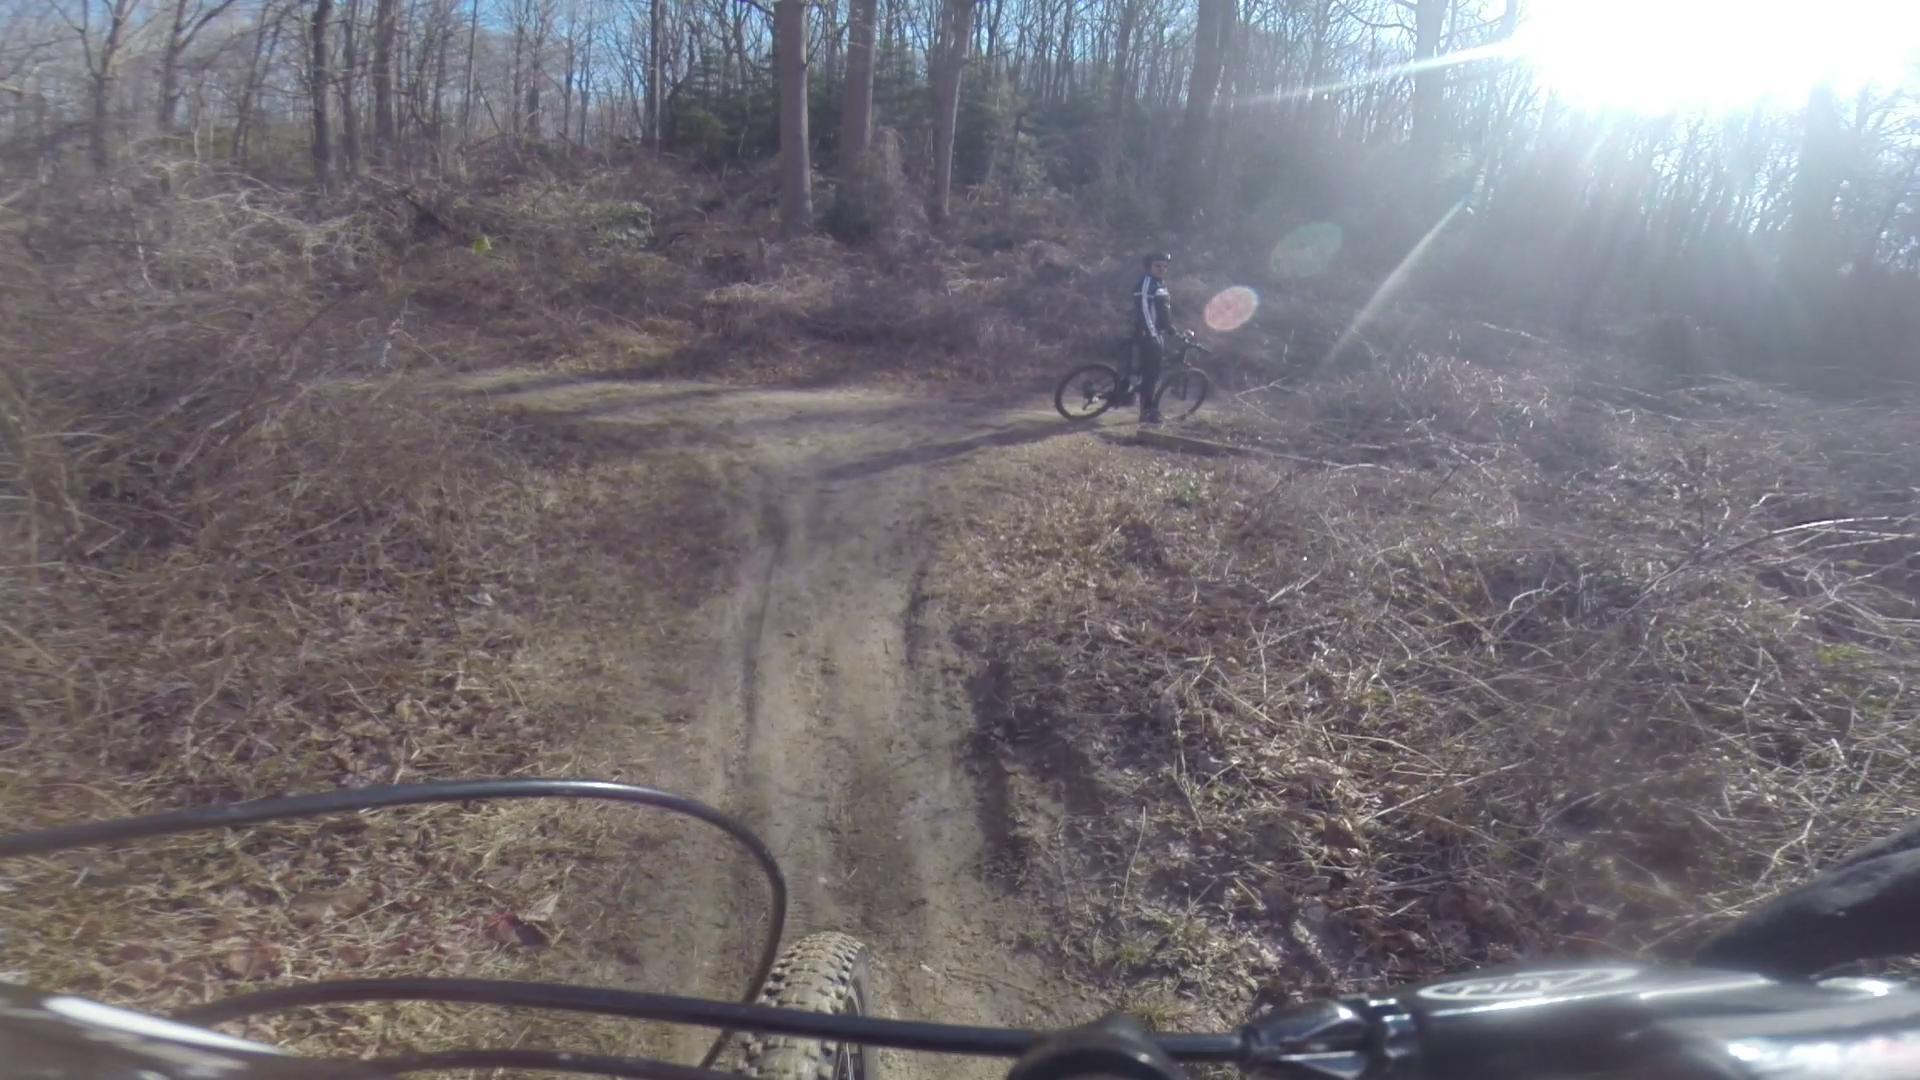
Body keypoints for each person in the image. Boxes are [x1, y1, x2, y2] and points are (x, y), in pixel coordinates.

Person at [1123, 251, 1177, 424]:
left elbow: (1163, 311)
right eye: (1157, 266)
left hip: (1155, 333)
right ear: (1149, 267)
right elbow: (1145, 312)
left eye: (1164, 266)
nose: (1161, 269)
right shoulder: (1147, 284)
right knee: (1151, 375)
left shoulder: (1159, 284)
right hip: (1147, 334)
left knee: (1151, 374)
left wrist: (1170, 329)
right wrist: (1153, 335)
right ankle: (1147, 412)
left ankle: (1140, 401)